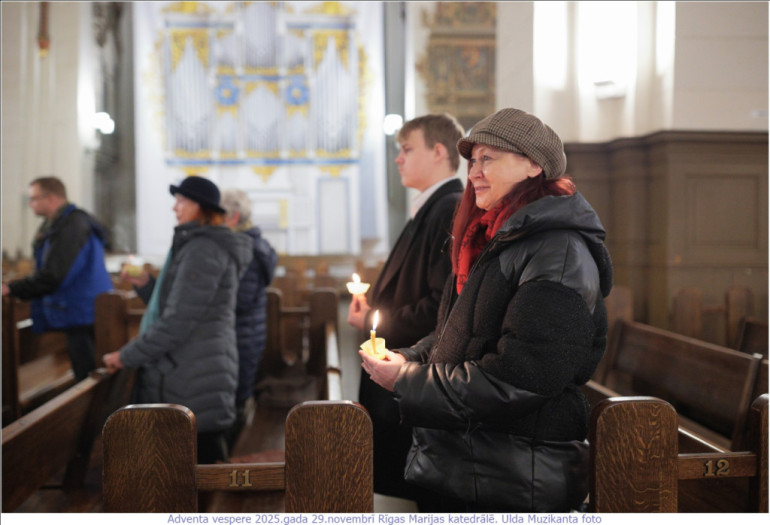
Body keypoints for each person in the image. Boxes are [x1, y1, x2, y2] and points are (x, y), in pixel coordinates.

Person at [359, 108, 613, 512]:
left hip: (514, 478)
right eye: (472, 160)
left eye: (487, 159)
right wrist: (407, 357)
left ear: (533, 165)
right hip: (471, 464)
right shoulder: (497, 239)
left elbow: (523, 377)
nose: (474, 171)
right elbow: (455, 335)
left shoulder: (558, 250)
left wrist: (408, 381)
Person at [348, 113, 465, 507]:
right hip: (406, 375)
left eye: (406, 149)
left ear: (437, 152)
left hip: (416, 375)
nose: (398, 159)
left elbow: (441, 306)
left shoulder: (449, 207)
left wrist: (372, 322)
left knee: (423, 497)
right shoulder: (430, 207)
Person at [102, 175, 253, 464]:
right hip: (193, 368)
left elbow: (177, 322)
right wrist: (147, 283)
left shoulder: (203, 249)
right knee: (189, 467)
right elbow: (180, 305)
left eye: (182, 200)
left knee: (193, 468)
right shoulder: (197, 246)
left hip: (192, 373)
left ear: (201, 207)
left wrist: (126, 355)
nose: (175, 207)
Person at [2, 176, 113, 381]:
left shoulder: (72, 225)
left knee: (88, 378)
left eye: (34, 198)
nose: (30, 204)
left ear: (51, 198)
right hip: (80, 310)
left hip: (81, 312)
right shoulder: (62, 223)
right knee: (87, 373)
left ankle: (97, 414)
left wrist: (12, 289)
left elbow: (54, 275)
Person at [220, 188, 278, 447]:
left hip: (242, 336)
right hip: (243, 334)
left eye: (217, 214)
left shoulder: (249, 250)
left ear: (232, 217)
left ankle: (232, 460)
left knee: (236, 400)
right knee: (234, 398)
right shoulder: (248, 245)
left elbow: (240, 301)